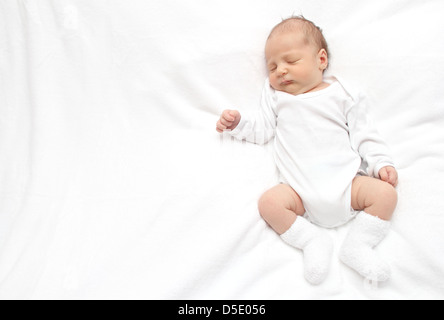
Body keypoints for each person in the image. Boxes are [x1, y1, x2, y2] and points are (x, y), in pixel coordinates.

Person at [216, 16, 398, 285]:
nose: (280, 71)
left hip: (349, 186)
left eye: (291, 61)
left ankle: (358, 245)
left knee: (385, 194)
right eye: (273, 66)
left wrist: (380, 163)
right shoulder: (277, 97)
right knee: (269, 203)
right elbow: (263, 130)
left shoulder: (342, 94)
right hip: (299, 193)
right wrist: (238, 124)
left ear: (321, 60)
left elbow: (365, 135)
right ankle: (311, 240)